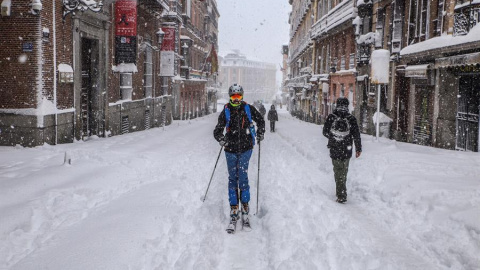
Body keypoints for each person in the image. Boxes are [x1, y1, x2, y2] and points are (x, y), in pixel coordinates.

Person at [213, 84, 265, 231]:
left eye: (239, 96)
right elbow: (217, 130)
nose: (236, 99)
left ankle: (245, 206)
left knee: (242, 176)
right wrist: (221, 138)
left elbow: (260, 121)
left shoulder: (248, 108)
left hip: (246, 149)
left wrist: (261, 132)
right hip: (230, 149)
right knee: (232, 178)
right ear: (230, 97)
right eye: (234, 97)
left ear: (242, 96)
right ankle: (234, 207)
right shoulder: (226, 111)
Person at [322, 97, 362, 203]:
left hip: (334, 149)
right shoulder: (351, 119)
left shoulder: (331, 117)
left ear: (337, 105)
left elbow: (325, 132)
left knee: (337, 171)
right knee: (344, 171)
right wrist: (358, 148)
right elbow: (356, 135)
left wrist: (334, 137)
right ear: (347, 106)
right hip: (347, 149)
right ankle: (342, 192)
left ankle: (341, 193)